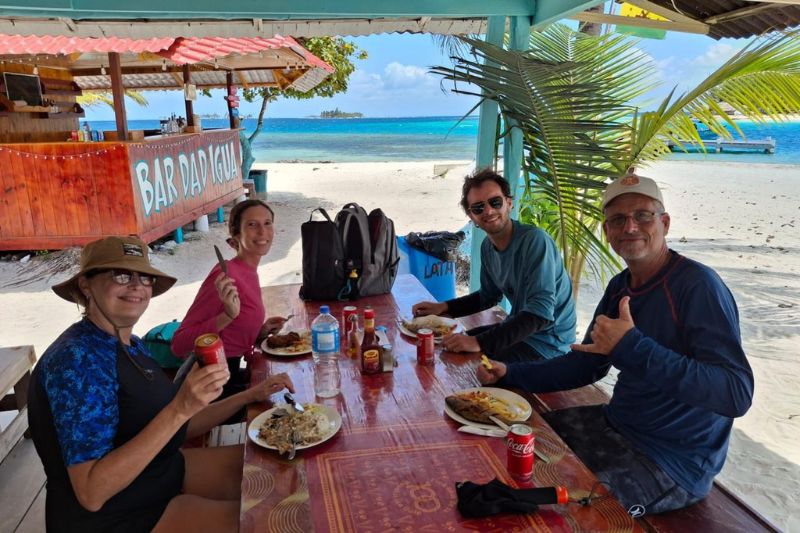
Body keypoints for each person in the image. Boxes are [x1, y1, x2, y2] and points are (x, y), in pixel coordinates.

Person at [477, 173, 754, 516]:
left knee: (559, 514)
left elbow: (735, 393)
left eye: (643, 215)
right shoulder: (620, 286)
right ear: (607, 231)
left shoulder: (698, 286)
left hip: (671, 461)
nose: (630, 227)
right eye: (618, 220)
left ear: (665, 223)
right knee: (509, 444)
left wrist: (633, 346)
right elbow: (586, 364)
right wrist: (510, 372)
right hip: (614, 423)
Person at [27, 235, 294, 532]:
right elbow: (92, 492)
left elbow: (178, 425)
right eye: (121, 275)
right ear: (85, 285)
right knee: (272, 523)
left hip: (158, 472)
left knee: (282, 470)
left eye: (145, 277)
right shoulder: (76, 360)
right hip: (116, 516)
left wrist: (249, 395)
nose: (136, 286)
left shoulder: (130, 344)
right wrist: (180, 408)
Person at [412, 168, 576, 362]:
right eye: (478, 208)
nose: (488, 211)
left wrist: (478, 342)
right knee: (446, 344)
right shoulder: (488, 247)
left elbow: (540, 314)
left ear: (509, 203)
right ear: (471, 216)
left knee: (471, 364)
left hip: (548, 344)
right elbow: (488, 297)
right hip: (520, 330)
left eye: (495, 202)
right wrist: (444, 306)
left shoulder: (534, 241)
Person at [172, 199, 287, 396]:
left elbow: (230, 334)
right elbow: (179, 344)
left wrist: (259, 332)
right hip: (206, 386)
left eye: (267, 223)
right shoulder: (225, 275)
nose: (262, 231)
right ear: (236, 235)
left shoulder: (249, 270)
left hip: (230, 374)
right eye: (252, 224)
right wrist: (227, 316)